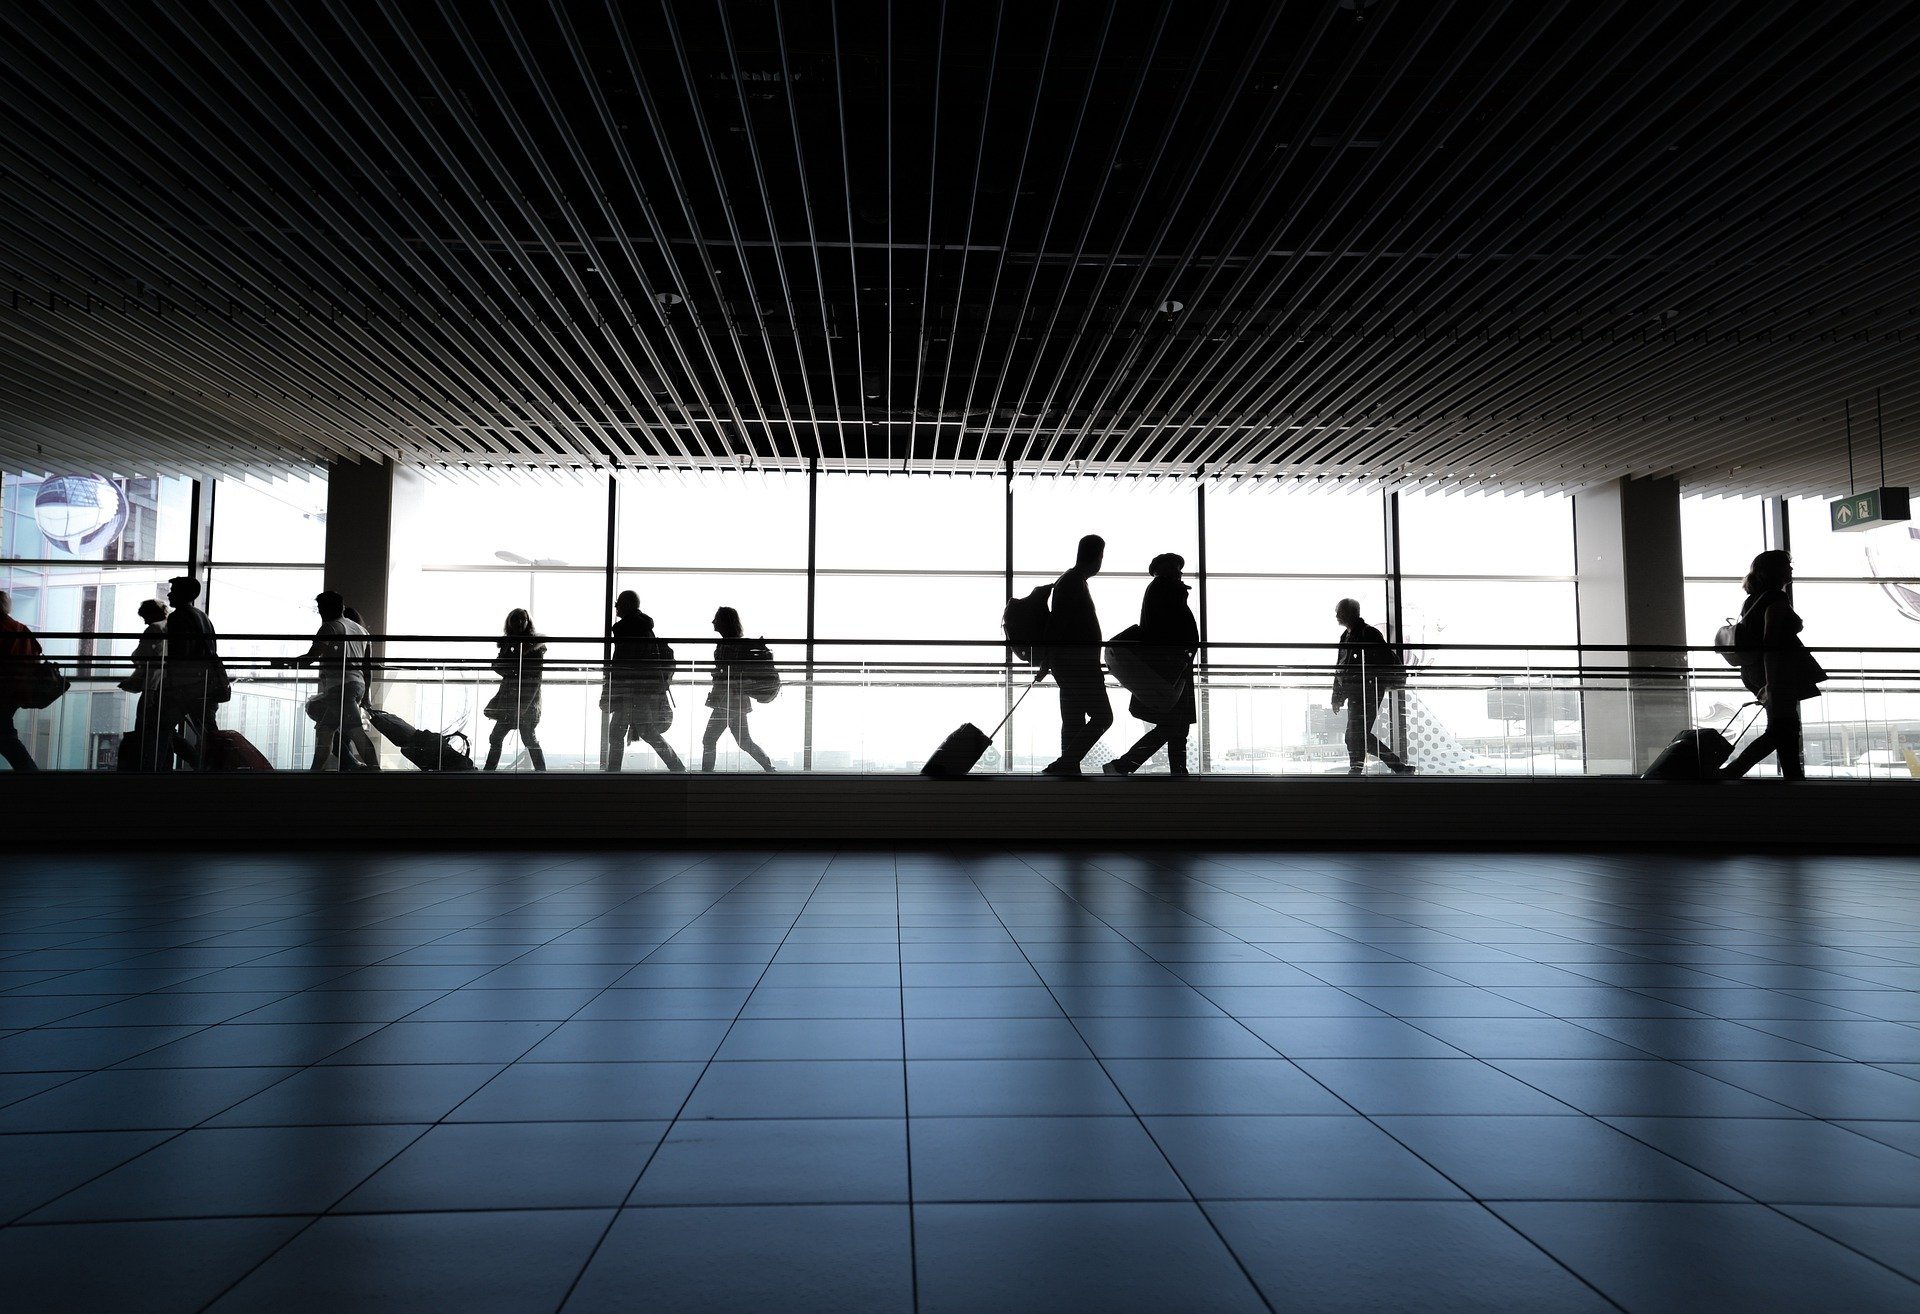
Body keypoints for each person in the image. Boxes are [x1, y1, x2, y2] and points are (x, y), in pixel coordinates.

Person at [1722, 549, 1824, 779]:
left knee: (1784, 727)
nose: (1791, 569)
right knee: (1782, 729)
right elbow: (1771, 643)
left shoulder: (1751, 601)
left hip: (1754, 670)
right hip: (1775, 671)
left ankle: (1793, 777)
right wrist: (1772, 683)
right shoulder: (1776, 598)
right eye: (1787, 565)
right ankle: (1732, 772)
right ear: (1776, 571)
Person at [1104, 552, 1198, 776]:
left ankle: (1176, 770)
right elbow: (1174, 628)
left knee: (1177, 725)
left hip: (1170, 666)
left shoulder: (1159, 590)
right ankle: (1125, 765)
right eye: (1177, 568)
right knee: (1175, 724)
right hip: (1171, 667)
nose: (1180, 572)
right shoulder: (1167, 590)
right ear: (1165, 569)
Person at [277, 591, 379, 771]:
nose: (321, 613)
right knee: (325, 731)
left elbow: (311, 656)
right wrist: (366, 697)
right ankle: (314, 772)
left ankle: (376, 771)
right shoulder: (362, 631)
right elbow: (367, 668)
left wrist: (287, 663)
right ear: (342, 607)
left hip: (340, 687)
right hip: (357, 686)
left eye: (321, 609)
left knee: (356, 732)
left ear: (326, 609)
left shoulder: (329, 628)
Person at [1040, 534, 1113, 777]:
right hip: (1077, 664)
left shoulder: (1071, 580)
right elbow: (1058, 624)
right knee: (1103, 716)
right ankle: (1066, 763)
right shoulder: (1073, 581)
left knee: (1073, 719)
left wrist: (1048, 660)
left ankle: (1068, 766)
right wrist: (1048, 659)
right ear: (1097, 556)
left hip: (1069, 663)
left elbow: (1058, 624)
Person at [1332, 598, 1415, 776]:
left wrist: (1340, 694)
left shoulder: (1368, 634)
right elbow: (1340, 667)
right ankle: (1397, 768)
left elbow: (1380, 661)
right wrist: (1337, 696)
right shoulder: (1346, 636)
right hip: (1357, 692)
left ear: (1349, 613)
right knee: (1358, 734)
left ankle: (1358, 768)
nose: (1336, 614)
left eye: (1339, 611)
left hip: (1368, 692)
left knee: (1355, 734)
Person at [604, 590, 685, 772]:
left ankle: (613, 773)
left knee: (619, 732)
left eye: (618, 603)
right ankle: (677, 767)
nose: (615, 606)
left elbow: (620, 665)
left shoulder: (627, 629)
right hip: (643, 690)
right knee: (645, 731)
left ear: (625, 605)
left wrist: (611, 690)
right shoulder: (644, 628)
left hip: (630, 691)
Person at [157, 576, 222, 770]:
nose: (169, 593)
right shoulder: (202, 616)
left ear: (183, 593)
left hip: (186, 684)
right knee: (209, 729)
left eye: (173, 590)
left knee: (162, 727)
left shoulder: (178, 617)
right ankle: (216, 768)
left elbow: (180, 652)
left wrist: (169, 680)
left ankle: (169, 768)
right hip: (205, 683)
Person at [701, 606, 774, 772]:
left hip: (726, 699)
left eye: (717, 619)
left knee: (709, 740)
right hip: (735, 699)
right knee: (743, 740)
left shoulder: (726, 646)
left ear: (724, 622)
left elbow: (728, 672)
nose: (713, 622)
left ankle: (706, 774)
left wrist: (718, 674)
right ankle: (769, 767)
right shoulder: (736, 645)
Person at [483, 608, 547, 771]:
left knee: (525, 738)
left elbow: (534, 678)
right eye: (516, 619)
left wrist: (524, 704)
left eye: (522, 619)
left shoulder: (533, 646)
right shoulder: (510, 644)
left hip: (524, 698)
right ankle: (542, 773)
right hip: (514, 698)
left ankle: (489, 772)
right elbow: (500, 666)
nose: (520, 622)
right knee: (518, 738)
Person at [119, 597, 169, 769]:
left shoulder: (154, 628)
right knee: (164, 728)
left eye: (144, 616)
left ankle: (146, 767)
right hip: (168, 683)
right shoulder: (170, 626)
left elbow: (140, 655)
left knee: (144, 725)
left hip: (153, 685)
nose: (144, 621)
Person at [0, 589, 44, 771]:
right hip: (13, 689)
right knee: (5, 734)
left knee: (6, 736)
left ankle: (31, 776)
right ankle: (30, 775)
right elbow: (35, 653)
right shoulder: (19, 628)